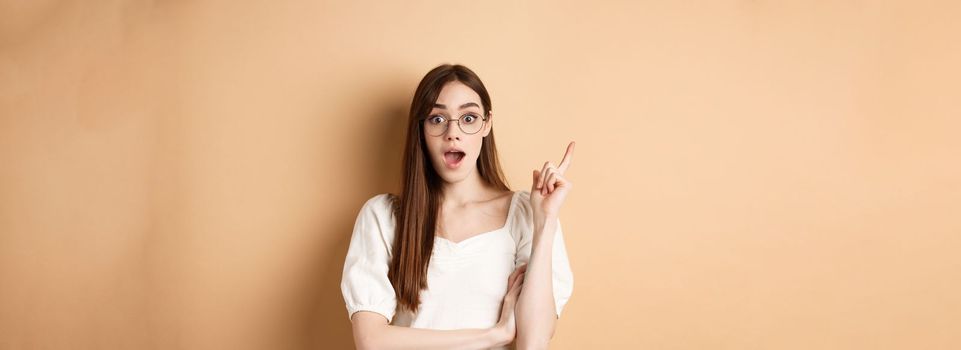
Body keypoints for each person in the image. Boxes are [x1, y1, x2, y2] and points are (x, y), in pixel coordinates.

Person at [340, 64, 575, 349]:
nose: (453, 132)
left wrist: (546, 221)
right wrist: (494, 335)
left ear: (487, 124)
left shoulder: (527, 213)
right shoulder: (383, 216)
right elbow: (371, 341)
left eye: (468, 117)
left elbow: (535, 340)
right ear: (421, 129)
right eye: (437, 119)